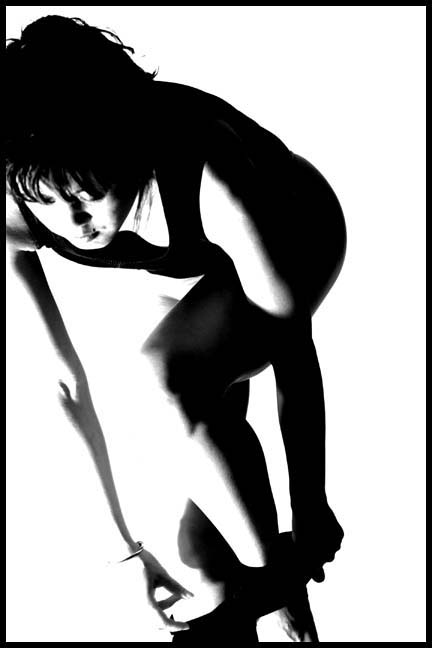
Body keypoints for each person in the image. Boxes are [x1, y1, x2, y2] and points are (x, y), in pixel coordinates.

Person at [6, 15, 346, 642]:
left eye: (90, 193)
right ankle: (263, 587)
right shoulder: (14, 204)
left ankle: (282, 599)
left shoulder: (210, 168)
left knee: (163, 377)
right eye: (47, 202)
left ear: (126, 151)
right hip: (188, 267)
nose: (74, 223)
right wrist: (125, 555)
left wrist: (310, 505)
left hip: (296, 227)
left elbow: (292, 353)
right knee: (201, 553)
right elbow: (62, 385)